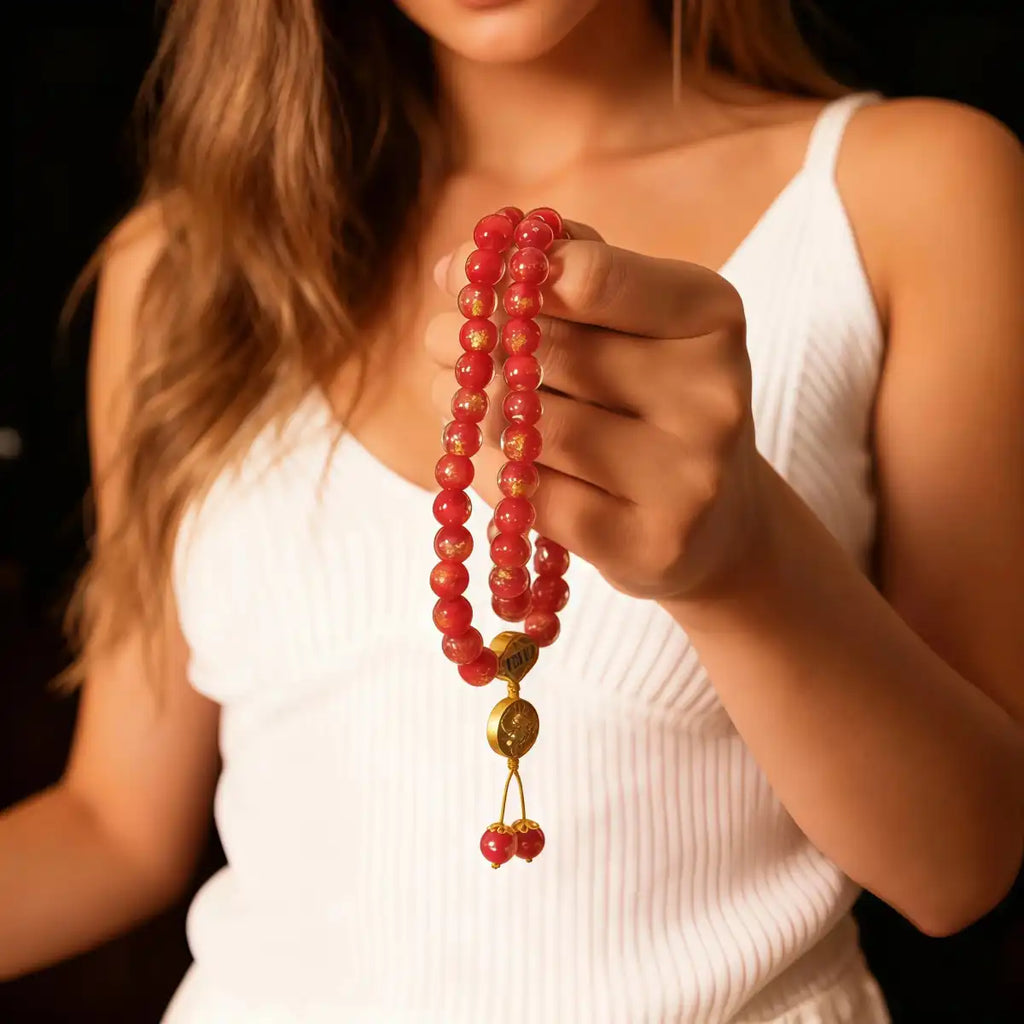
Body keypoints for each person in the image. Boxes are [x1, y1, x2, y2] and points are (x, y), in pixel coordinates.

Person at [2, 0, 1023, 1020]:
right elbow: (115, 823)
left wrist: (743, 562)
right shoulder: (186, 265)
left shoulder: (907, 190)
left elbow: (962, 862)